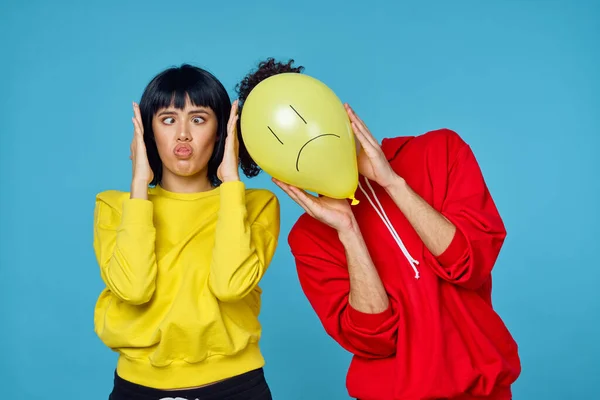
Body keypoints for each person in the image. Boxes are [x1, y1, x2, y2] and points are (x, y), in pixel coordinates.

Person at [236, 58, 521, 400]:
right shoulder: (309, 238)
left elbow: (469, 266)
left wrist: (393, 183)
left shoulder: (441, 151)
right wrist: (348, 231)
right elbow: (373, 339)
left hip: (483, 390)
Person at [93, 64, 279, 400]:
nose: (182, 134)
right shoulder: (115, 207)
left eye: (198, 119)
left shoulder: (255, 205)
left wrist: (231, 183)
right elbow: (134, 289)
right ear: (147, 132)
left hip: (236, 387)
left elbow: (230, 286)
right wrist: (138, 185)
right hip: (138, 389)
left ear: (221, 131)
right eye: (167, 119)